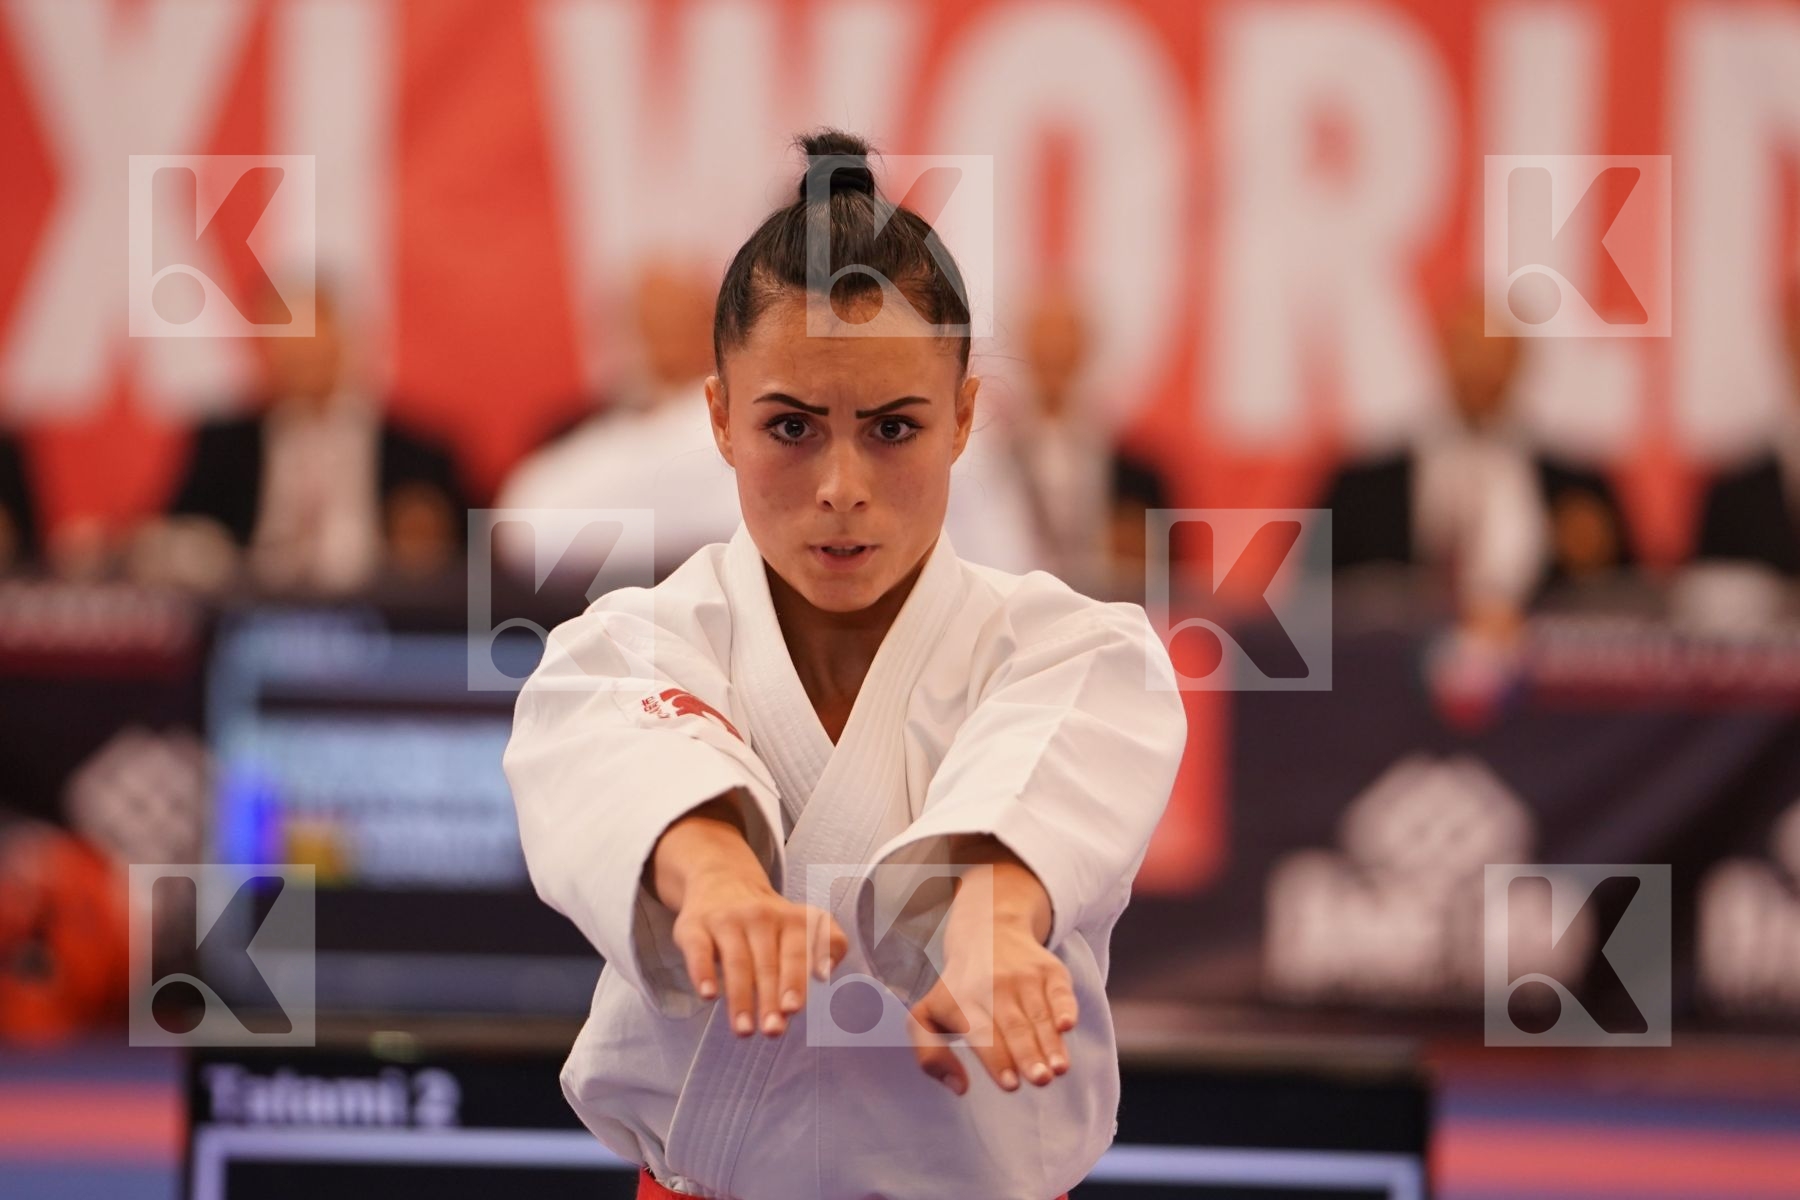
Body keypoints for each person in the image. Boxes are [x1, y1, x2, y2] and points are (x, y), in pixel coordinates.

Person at [502, 129, 1187, 1200]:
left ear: (964, 419)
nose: (840, 484)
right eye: (792, 427)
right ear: (720, 419)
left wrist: (993, 925)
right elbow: (629, 768)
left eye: (892, 428)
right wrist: (719, 883)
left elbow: (1033, 799)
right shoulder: (622, 646)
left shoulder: (1079, 653)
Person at [1322, 294, 1633, 629]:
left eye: (1497, 355)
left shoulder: (1578, 489)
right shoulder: (1363, 489)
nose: (1481, 369)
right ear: (1442, 354)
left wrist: (1594, 560)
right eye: (1469, 350)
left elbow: (1631, 596)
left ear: (1521, 364)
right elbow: (1315, 597)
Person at [154, 286, 466, 593]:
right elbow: (174, 533)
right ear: (268, 351)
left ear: (346, 342)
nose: (304, 353)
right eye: (289, 342)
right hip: (253, 611)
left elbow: (469, 548)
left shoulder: (417, 451)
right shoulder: (224, 447)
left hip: (381, 614)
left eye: (314, 338)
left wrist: (428, 542)